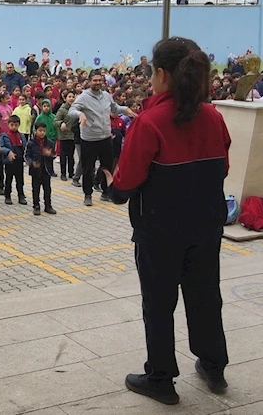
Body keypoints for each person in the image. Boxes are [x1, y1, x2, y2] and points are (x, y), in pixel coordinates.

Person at [104, 37, 230, 406]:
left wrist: (112, 185)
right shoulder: (214, 117)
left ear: (160, 74)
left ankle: (161, 377)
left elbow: (125, 183)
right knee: (206, 297)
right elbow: (223, 168)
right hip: (206, 228)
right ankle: (214, 366)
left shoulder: (150, 122)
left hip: (159, 232)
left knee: (158, 305)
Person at [68, 70, 135, 206]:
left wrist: (126, 110)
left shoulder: (106, 95)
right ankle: (88, 195)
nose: (98, 82)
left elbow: (115, 108)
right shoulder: (84, 96)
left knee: (107, 167)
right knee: (88, 168)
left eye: (100, 80)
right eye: (95, 80)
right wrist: (80, 114)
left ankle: (106, 192)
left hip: (105, 138)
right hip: (89, 139)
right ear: (90, 81)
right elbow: (71, 111)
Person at [25, 122, 57, 216]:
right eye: (40, 130)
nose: (42, 133)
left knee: (47, 188)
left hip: (46, 169)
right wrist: (31, 163)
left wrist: (49, 154)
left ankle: (48, 206)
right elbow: (26, 156)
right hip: (36, 170)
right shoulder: (31, 143)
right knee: (36, 189)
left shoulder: (49, 142)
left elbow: (54, 154)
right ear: (35, 131)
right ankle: (36, 206)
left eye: (44, 131)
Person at [0, 115, 27, 205]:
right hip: (9, 161)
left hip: (19, 161)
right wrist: (8, 152)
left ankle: (21, 196)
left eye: (16, 125)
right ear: (8, 124)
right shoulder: (4, 136)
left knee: (20, 180)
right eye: (12, 125)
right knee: (8, 180)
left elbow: (25, 148)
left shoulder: (21, 136)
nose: (14, 127)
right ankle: (7, 196)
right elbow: (0, 147)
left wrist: (26, 158)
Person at [53, 90, 77, 182]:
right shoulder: (62, 109)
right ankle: (63, 173)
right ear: (65, 98)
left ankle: (71, 172)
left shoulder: (76, 109)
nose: (71, 99)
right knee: (63, 156)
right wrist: (61, 123)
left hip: (73, 135)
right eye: (69, 97)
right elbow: (55, 121)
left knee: (71, 156)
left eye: (72, 97)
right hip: (63, 136)